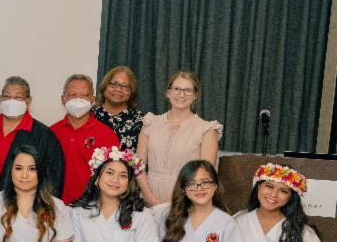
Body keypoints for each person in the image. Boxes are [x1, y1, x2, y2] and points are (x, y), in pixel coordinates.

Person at [136, 71, 221, 205]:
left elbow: (205, 175)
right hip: (149, 201)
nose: (181, 94)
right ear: (168, 93)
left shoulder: (206, 130)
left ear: (195, 96)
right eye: (177, 89)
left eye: (187, 90)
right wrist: (150, 198)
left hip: (187, 203)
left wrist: (179, 205)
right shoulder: (150, 123)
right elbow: (138, 166)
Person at [0, 76, 64, 198]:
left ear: (28, 102)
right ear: (0, 99)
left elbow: (54, 179)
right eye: (7, 97)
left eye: (18, 97)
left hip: (22, 208)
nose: (11, 101)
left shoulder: (44, 136)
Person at [50, 74, 120, 203]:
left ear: (92, 100)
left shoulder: (107, 134)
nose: (78, 100)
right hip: (56, 205)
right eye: (72, 95)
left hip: (92, 207)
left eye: (84, 95)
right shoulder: (51, 133)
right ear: (63, 99)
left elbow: (114, 175)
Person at [93, 66, 142, 150]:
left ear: (132, 92)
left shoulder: (140, 120)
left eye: (125, 86)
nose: (118, 89)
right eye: (113, 84)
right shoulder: (89, 116)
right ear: (104, 87)